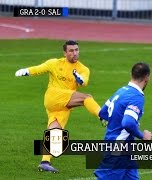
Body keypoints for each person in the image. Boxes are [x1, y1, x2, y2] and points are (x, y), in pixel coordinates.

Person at [15, 40, 101, 173]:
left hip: (63, 106)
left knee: (55, 132)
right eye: (71, 51)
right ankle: (103, 116)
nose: (75, 53)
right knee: (87, 98)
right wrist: (26, 71)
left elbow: (84, 81)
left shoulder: (83, 68)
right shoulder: (54, 63)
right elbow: (39, 69)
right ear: (65, 53)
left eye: (77, 50)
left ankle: (45, 162)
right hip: (53, 96)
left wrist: (79, 79)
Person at [94, 62, 152, 180]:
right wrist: (143, 136)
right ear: (147, 77)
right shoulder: (136, 96)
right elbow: (128, 123)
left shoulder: (121, 90)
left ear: (132, 75)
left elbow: (103, 113)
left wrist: (115, 121)